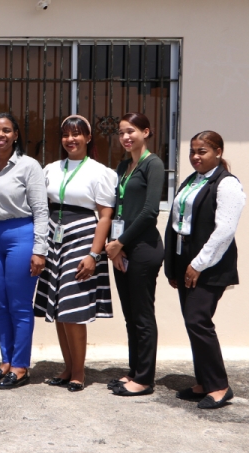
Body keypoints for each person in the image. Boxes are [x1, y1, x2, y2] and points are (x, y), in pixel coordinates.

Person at [33, 115, 117, 392]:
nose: (71, 139)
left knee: (73, 307)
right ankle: (67, 368)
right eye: (66, 135)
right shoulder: (51, 169)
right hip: (54, 237)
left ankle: (79, 373)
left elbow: (105, 216)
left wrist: (94, 255)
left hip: (82, 238)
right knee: (59, 307)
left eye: (77, 134)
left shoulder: (100, 172)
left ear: (88, 138)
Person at [0, 112, 48, 390]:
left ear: (15, 135)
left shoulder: (29, 166)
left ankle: (20, 365)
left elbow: (41, 210)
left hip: (21, 236)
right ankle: (6, 361)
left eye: (5, 130)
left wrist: (40, 250)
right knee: (1, 306)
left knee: (20, 305)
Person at [165, 131, 245, 409]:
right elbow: (177, 222)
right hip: (185, 259)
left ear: (218, 152)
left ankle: (219, 386)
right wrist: (174, 267)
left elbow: (224, 231)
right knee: (192, 321)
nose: (195, 156)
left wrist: (198, 264)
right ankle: (204, 382)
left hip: (210, 263)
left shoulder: (227, 184)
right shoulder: (193, 180)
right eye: (192, 151)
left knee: (198, 320)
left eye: (202, 151)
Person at [104, 113, 165, 397]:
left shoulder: (154, 164)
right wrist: (115, 245)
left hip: (143, 248)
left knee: (142, 315)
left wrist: (120, 243)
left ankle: (144, 379)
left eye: (131, 131)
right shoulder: (123, 166)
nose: (125, 137)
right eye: (121, 133)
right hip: (123, 249)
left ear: (146, 132)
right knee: (130, 316)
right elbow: (117, 208)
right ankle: (135, 370)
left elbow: (150, 211)